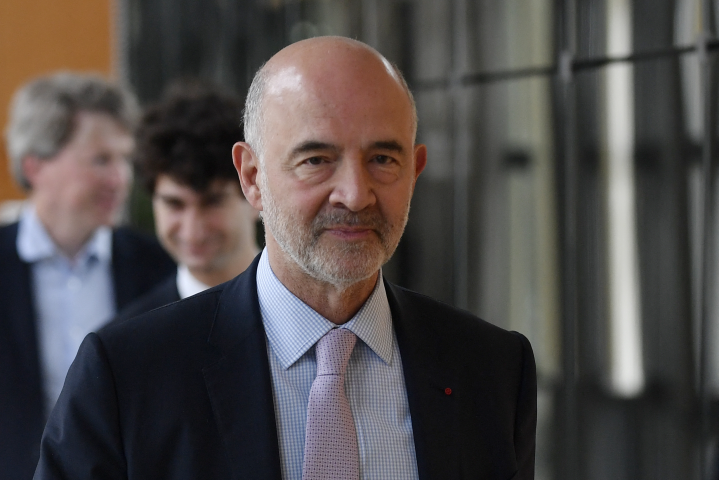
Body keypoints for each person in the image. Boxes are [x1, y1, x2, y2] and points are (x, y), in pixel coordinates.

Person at [34, 38, 537, 480]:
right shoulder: (129, 377)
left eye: (383, 159)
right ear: (251, 177)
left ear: (416, 170)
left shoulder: (492, 370)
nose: (355, 194)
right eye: (316, 160)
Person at [0, 72, 175, 479]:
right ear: (36, 165)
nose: (122, 178)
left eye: (124, 159)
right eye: (101, 159)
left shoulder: (158, 267)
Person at [114, 84, 259, 321]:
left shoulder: (319, 311)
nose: (193, 231)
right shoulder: (124, 345)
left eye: (212, 202)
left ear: (255, 191)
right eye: (174, 204)